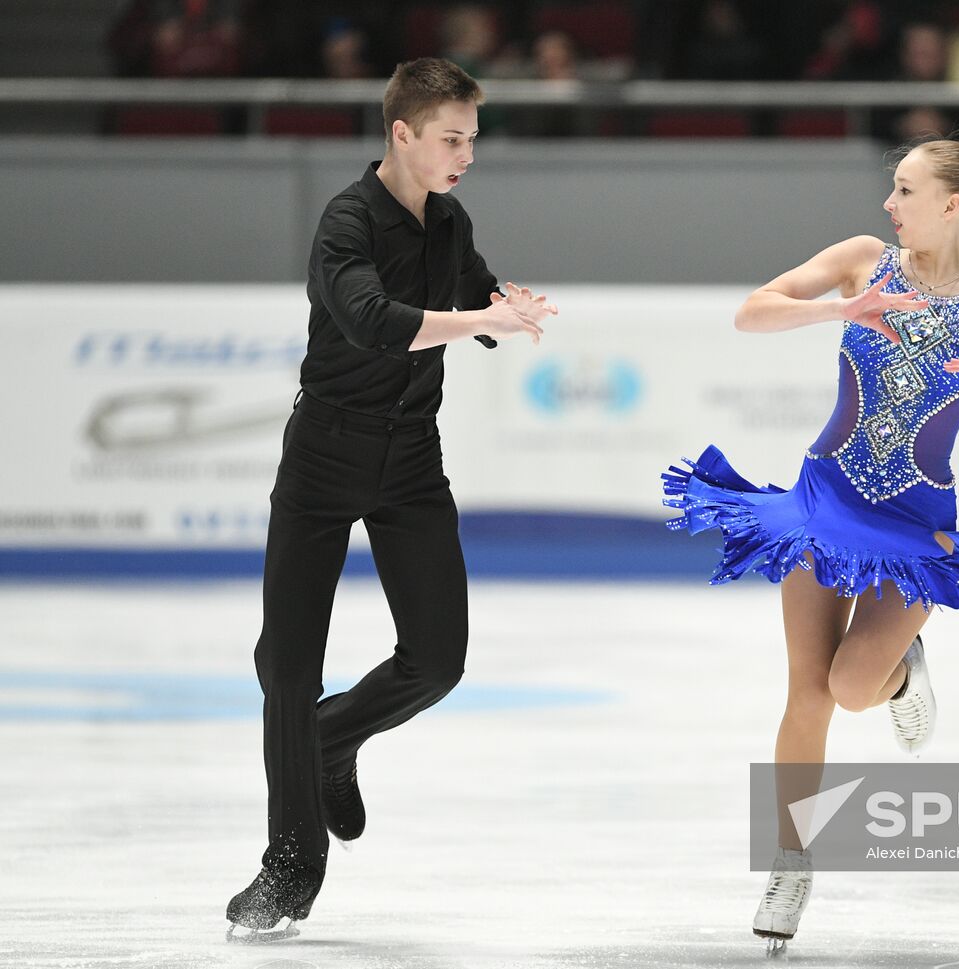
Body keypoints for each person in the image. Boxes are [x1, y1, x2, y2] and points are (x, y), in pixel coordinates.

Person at [661, 138, 959, 955]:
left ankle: (903, 668)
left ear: (951, 205)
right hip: (821, 499)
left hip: (915, 526)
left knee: (850, 685)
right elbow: (752, 309)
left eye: (904, 189)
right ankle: (792, 859)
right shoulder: (862, 261)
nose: (888, 203)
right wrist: (836, 310)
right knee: (808, 693)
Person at [225, 57, 557, 941]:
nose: (465, 156)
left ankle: (332, 742)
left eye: (473, 140)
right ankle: (288, 867)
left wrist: (504, 302)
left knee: (439, 657)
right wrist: (480, 320)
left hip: (412, 458)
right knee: (288, 666)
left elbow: (471, 284)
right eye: (452, 139)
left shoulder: (447, 220)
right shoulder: (344, 222)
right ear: (402, 134)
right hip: (326, 453)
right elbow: (373, 321)